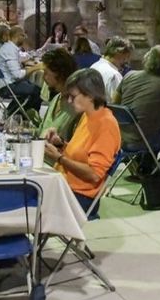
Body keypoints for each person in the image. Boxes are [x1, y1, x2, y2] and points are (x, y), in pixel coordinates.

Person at [43, 69, 121, 215]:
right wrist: (59, 144)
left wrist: (59, 158)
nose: (70, 101)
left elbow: (93, 174)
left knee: (23, 206)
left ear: (90, 95)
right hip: (64, 185)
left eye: (73, 96)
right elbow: (81, 154)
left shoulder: (106, 125)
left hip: (80, 196)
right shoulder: (88, 116)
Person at [0, 25, 43, 112]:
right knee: (38, 91)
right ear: (18, 36)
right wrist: (37, 67)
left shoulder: (9, 48)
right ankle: (30, 116)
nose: (25, 38)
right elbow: (17, 75)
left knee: (30, 85)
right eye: (23, 35)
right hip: (6, 86)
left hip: (7, 83)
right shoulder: (10, 50)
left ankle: (13, 113)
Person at [38, 47, 79, 140]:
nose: (43, 77)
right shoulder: (56, 98)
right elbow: (41, 131)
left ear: (60, 74)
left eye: (46, 73)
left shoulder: (76, 107)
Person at [91, 36, 133, 102]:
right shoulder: (114, 75)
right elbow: (119, 104)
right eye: (126, 57)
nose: (127, 61)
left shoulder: (94, 66)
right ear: (119, 53)